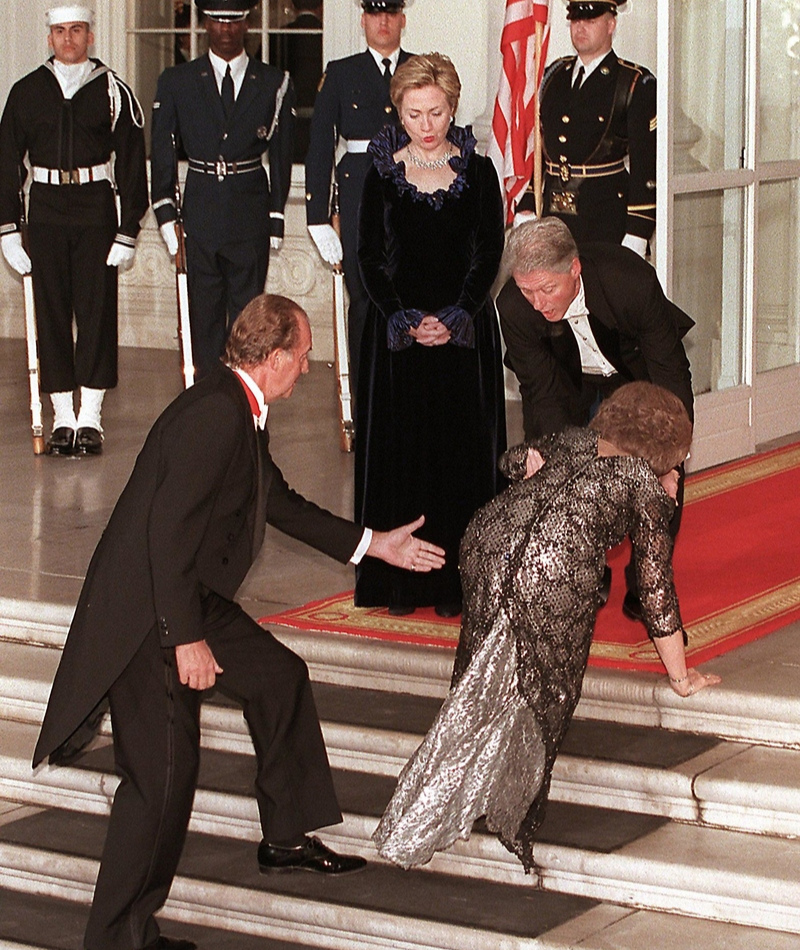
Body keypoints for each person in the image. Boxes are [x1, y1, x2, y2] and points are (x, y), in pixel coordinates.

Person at [32, 293, 446, 950]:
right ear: (276, 356)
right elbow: (164, 534)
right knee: (161, 784)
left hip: (183, 595)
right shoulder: (215, 417)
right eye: (304, 356)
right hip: (151, 617)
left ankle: (285, 836)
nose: (307, 369)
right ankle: (116, 940)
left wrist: (373, 543)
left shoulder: (236, 405)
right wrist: (186, 637)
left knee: (278, 676)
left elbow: (275, 499)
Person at [374, 382, 721, 873]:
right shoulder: (643, 485)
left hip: (489, 542)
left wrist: (530, 467)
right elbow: (654, 585)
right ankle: (496, 805)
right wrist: (682, 676)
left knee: (482, 673)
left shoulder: (574, 440)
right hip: (552, 568)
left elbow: (511, 459)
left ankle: (452, 789)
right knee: (547, 690)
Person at [354, 53, 507, 617]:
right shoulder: (382, 173)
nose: (425, 124)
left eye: (436, 113)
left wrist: (458, 314)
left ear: (451, 108)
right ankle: (400, 584)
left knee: (461, 458)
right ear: (399, 110)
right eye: (414, 113)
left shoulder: (479, 172)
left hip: (462, 339)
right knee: (403, 458)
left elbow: (490, 251)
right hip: (398, 343)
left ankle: (457, 586)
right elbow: (368, 257)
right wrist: (402, 317)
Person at [497, 216, 693, 618]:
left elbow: (670, 375)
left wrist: (669, 461)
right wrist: (549, 457)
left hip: (636, 372)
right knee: (563, 468)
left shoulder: (628, 280)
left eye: (547, 289)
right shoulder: (514, 308)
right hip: (569, 379)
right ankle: (585, 572)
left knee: (654, 476)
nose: (538, 303)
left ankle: (646, 584)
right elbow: (541, 394)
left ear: (574, 269)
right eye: (527, 290)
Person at [0, 5, 148, 456]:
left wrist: (128, 230)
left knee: (96, 310)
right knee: (52, 311)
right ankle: (62, 414)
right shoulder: (26, 91)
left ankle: (91, 417)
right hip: (44, 210)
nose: (68, 39)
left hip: (94, 209)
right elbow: (6, 163)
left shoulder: (112, 89)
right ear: (50, 37)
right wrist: (8, 229)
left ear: (90, 36)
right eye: (60, 32)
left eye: (76, 31)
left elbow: (132, 162)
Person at [151, 0, 295, 379]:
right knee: (203, 321)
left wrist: (276, 218)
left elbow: (280, 157)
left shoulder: (273, 82)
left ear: (247, 23)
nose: (226, 30)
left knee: (251, 324)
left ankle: (247, 407)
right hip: (199, 214)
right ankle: (209, 405)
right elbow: (162, 152)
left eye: (234, 21)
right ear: (205, 23)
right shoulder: (177, 81)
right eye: (217, 21)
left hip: (250, 214)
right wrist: (165, 214)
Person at [304, 0, 412, 389]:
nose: (383, 22)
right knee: (365, 301)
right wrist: (317, 216)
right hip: (357, 197)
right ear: (363, 20)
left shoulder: (421, 69)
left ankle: (404, 392)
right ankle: (366, 397)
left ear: (402, 19)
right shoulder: (340, 73)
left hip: (412, 196)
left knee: (409, 296)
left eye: (390, 14)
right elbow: (319, 147)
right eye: (374, 14)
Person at [515, 0, 656, 255]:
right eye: (576, 20)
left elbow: (646, 164)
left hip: (604, 221)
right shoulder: (552, 75)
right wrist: (528, 201)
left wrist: (638, 230)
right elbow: (539, 146)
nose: (580, 28)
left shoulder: (633, 82)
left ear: (611, 24)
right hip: (553, 220)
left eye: (590, 21)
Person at [269, 0, 323, 163]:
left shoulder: (277, 37)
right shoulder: (330, 36)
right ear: (321, 6)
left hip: (286, 127)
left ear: (292, 6)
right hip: (321, 128)